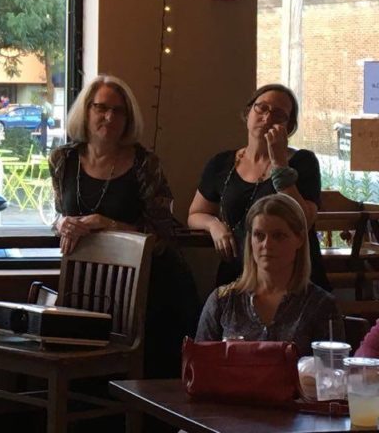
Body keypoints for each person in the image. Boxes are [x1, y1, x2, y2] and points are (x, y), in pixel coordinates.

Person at [50, 74, 199, 378]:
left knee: (148, 376)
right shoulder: (62, 160)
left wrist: (107, 224)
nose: (109, 117)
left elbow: (163, 236)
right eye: (100, 108)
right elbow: (60, 215)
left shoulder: (145, 164)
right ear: (86, 111)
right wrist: (62, 223)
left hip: (152, 286)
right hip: (90, 285)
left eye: (119, 111)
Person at [188, 83, 329, 289]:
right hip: (238, 277)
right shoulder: (221, 163)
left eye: (279, 115)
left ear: (288, 128)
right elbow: (195, 214)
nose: (267, 117)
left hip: (292, 280)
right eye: (261, 108)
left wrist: (280, 164)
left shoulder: (302, 162)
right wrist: (214, 226)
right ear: (248, 113)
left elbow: (304, 220)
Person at [196, 193, 341, 355]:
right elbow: (200, 366)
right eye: (259, 235)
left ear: (299, 239)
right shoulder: (222, 302)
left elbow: (332, 373)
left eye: (278, 236)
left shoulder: (321, 305)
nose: (267, 244)